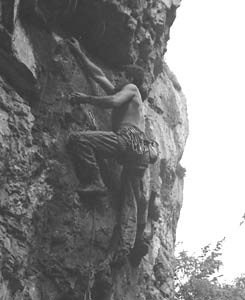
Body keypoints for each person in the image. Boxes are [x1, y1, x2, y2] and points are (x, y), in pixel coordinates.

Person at [66, 37, 158, 265]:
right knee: (131, 199)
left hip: (129, 141)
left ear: (131, 79)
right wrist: (79, 53)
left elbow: (115, 101)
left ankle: (95, 181)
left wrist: (86, 99)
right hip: (137, 153)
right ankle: (129, 247)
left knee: (79, 140)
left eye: (121, 76)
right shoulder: (128, 93)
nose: (116, 78)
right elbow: (98, 75)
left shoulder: (132, 89)